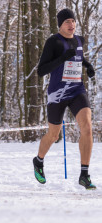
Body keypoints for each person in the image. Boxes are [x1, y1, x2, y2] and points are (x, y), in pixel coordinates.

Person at [33, 8, 96, 190]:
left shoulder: (79, 40)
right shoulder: (53, 42)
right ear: (60, 25)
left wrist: (88, 65)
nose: (71, 25)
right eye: (67, 22)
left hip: (77, 90)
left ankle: (84, 174)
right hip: (57, 93)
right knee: (54, 135)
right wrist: (61, 59)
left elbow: (78, 57)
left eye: (73, 21)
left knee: (87, 127)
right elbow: (41, 71)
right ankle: (38, 161)